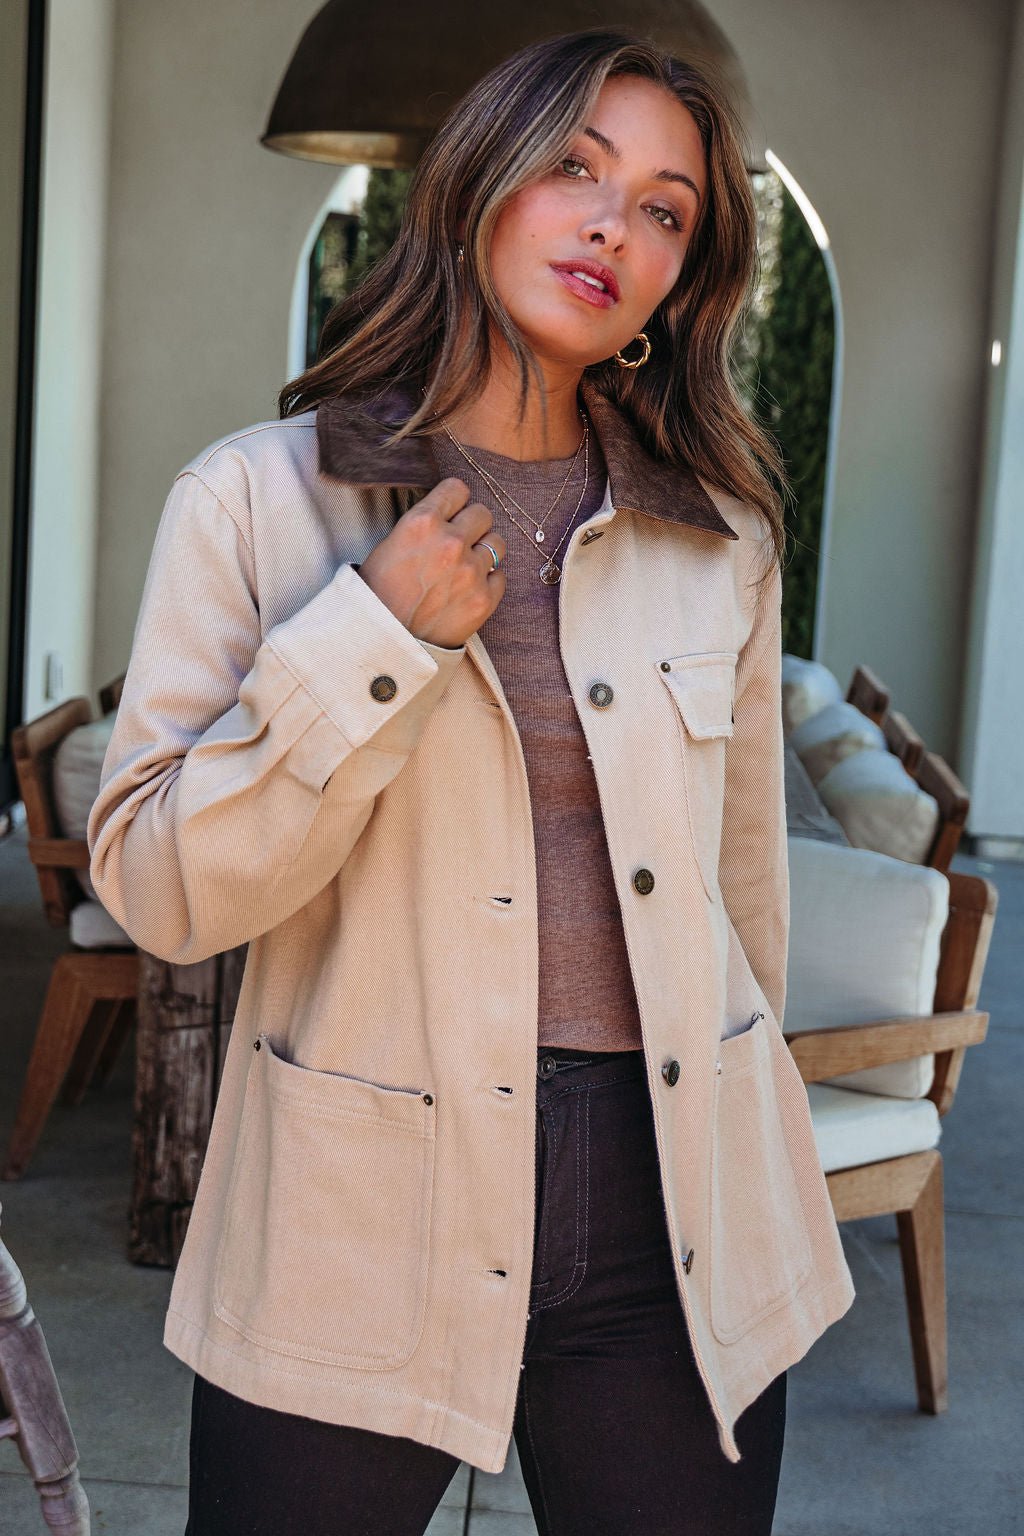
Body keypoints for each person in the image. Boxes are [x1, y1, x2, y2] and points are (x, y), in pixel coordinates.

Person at [88, 27, 855, 1536]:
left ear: (679, 279)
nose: (611, 226)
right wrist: (373, 630)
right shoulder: (254, 500)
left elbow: (742, 900)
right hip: (354, 1213)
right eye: (575, 167)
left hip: (671, 1215)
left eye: (664, 208)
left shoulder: (725, 539)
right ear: (478, 182)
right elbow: (160, 893)